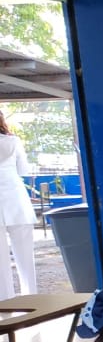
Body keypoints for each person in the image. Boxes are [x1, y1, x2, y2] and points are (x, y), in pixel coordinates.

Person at [0, 111, 35, 300]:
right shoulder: (13, 141)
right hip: (16, 201)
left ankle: (5, 301)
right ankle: (31, 299)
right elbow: (23, 170)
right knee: (26, 258)